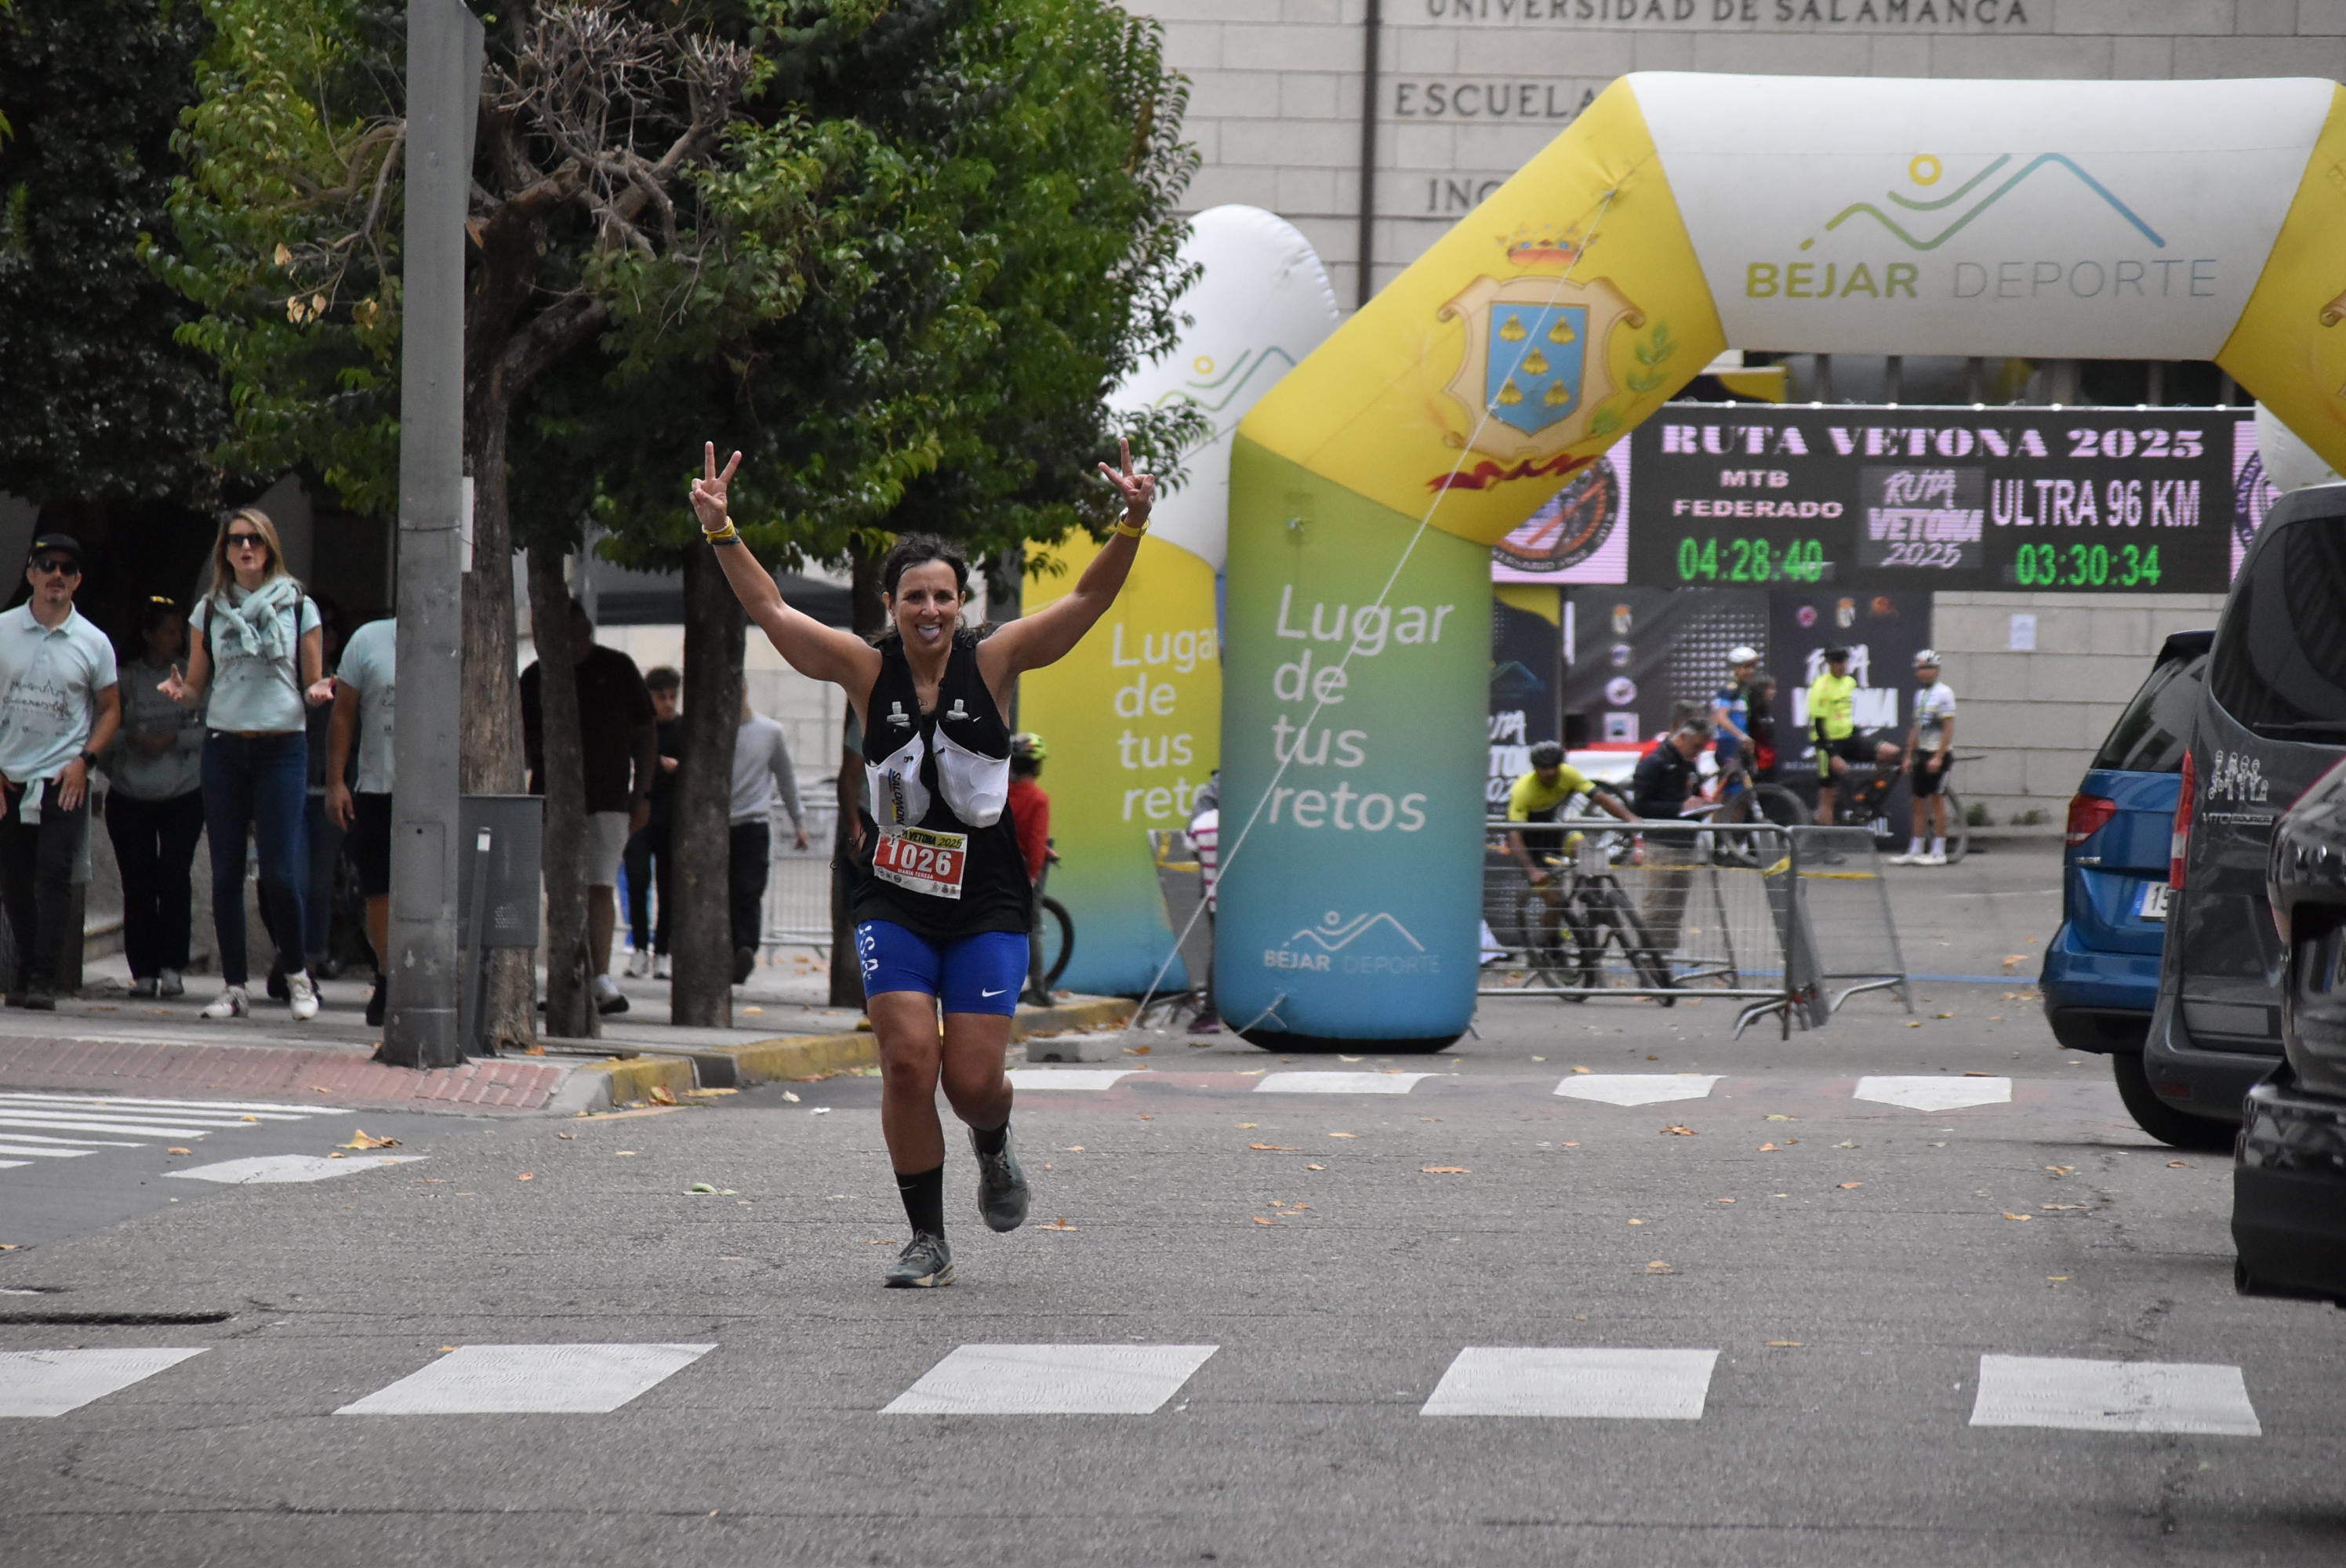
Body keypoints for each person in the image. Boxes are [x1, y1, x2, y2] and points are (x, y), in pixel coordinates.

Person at [695, 437, 1153, 1290]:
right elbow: (772, 612)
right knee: (908, 1059)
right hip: (894, 897)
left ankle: (992, 1139)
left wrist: (1131, 518)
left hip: (984, 897)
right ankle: (927, 1238)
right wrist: (723, 531)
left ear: (962, 601)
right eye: (915, 596)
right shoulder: (866, 670)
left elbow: (1089, 597)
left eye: (943, 594)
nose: (930, 608)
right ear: (892, 603)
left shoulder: (998, 658)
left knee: (974, 1081)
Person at [161, 508, 335, 1021]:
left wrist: (319, 690)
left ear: (269, 547)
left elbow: (309, 680)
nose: (245, 548)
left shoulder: (298, 606)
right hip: (225, 745)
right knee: (226, 872)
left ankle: (299, 975)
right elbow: (197, 686)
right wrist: (182, 692)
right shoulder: (209, 611)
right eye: (236, 540)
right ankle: (235, 987)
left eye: (255, 540)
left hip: (282, 745)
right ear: (225, 551)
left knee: (281, 873)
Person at [520, 601, 657, 1016]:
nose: (577, 644)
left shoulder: (616, 668)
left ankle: (599, 974)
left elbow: (646, 732)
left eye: (583, 634)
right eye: (568, 636)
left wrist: (642, 793)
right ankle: (565, 971)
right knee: (558, 889)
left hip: (609, 796)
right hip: (550, 798)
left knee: (600, 885)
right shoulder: (535, 678)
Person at [0, 533, 120, 1010]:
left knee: (54, 875)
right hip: (10, 776)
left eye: (66, 569)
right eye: (46, 565)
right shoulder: (4, 630)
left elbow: (110, 708)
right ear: (30, 572)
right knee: (14, 878)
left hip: (63, 778)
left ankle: (45, 977)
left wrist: (85, 761)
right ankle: (26, 966)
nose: (56, 575)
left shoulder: (94, 642)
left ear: (77, 582)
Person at [103, 597, 205, 1000]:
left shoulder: (192, 680)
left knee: (175, 877)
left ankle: (172, 966)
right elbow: (105, 731)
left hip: (183, 791)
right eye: (168, 631)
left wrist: (172, 738)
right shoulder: (126, 679)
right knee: (138, 880)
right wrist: (135, 741)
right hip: (131, 792)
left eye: (180, 631)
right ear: (148, 635)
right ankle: (142, 970)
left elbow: (209, 728)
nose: (176, 638)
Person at [325, 614, 396, 1025]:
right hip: (379, 786)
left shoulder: (458, 635)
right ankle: (387, 974)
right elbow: (343, 714)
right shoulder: (369, 639)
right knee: (379, 890)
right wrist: (336, 782)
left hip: (440, 790)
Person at [728, 691, 808, 985]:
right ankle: (732, 948)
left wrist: (798, 820)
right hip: (717, 825)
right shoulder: (712, 732)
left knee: (748, 890)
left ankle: (745, 947)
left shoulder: (769, 732)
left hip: (752, 822)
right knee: (725, 891)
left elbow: (786, 778)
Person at [1505, 739, 1635, 895]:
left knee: (1586, 849)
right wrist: (1532, 871)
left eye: (1555, 767)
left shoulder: (1568, 774)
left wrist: (1630, 818)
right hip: (1528, 842)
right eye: (1545, 768)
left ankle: (1594, 898)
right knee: (1555, 903)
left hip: (1554, 831)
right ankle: (1554, 914)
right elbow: (1515, 835)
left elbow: (1600, 798)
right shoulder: (1522, 789)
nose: (1550, 772)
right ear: (1535, 768)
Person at [1630, 717, 1713, 954]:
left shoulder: (1690, 765)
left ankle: (1668, 951)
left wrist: (1702, 805)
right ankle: (1647, 953)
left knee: (1676, 905)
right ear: (1683, 737)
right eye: (1696, 746)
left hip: (1686, 844)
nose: (1698, 752)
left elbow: (1695, 795)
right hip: (1660, 844)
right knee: (1656, 904)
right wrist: (1679, 808)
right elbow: (1641, 807)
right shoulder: (1653, 763)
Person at [623, 666, 683, 978]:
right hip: (640, 817)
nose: (669, 704)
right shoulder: (640, 729)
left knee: (669, 886)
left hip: (672, 820)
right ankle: (639, 949)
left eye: (673, 696)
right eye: (662, 697)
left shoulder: (683, 730)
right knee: (637, 880)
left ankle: (662, 951)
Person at [1893, 648, 1959, 866]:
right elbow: (1915, 727)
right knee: (1917, 802)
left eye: (1928, 668)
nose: (1924, 672)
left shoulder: (1944, 693)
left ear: (1937, 670)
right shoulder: (1919, 695)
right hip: (1921, 754)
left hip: (1938, 754)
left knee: (1937, 800)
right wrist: (1908, 755)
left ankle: (1939, 851)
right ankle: (1916, 848)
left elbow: (1948, 728)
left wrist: (1939, 756)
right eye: (1920, 668)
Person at [1809, 646, 1867, 826]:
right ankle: (1826, 843)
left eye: (1844, 662)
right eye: (1837, 662)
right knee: (1828, 794)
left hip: (1848, 737)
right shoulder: (1820, 686)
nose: (1842, 666)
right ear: (1829, 664)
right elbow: (1818, 725)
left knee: (1890, 753)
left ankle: (1869, 799)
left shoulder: (1850, 682)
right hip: (1827, 743)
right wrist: (1833, 755)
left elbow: (1844, 711)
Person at [1710, 646, 1760, 816]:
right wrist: (1742, 736)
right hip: (1729, 746)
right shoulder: (1730, 690)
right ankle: (1714, 838)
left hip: (1739, 746)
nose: (1750, 671)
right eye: (1746, 667)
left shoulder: (1742, 691)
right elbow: (1721, 718)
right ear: (1736, 669)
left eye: (1752, 667)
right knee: (1726, 796)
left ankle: (1734, 840)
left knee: (1741, 796)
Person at [1007, 732, 1050, 887]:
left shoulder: (1001, 792)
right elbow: (1036, 840)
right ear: (1037, 766)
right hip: (1018, 868)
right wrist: (1033, 875)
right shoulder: (1039, 799)